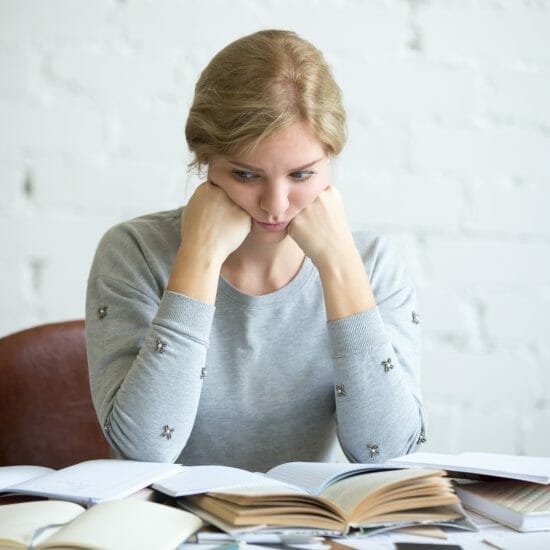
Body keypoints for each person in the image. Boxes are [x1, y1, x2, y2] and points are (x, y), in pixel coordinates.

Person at [86, 29, 425, 471]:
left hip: (305, 529)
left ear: (329, 161)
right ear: (206, 160)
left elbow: (390, 453)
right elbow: (143, 452)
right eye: (246, 175)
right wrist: (200, 257)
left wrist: (340, 266)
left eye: (302, 175)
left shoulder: (373, 263)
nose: (275, 205)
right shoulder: (133, 252)